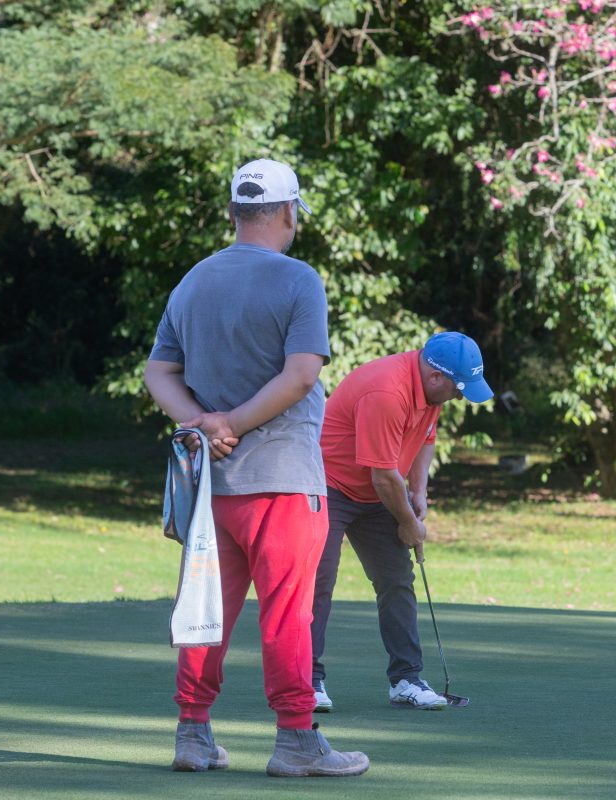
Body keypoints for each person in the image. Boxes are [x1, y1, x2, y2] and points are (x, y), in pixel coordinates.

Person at [144, 158, 368, 778]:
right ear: (290, 212)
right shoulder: (300, 280)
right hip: (284, 478)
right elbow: (301, 376)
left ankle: (193, 734)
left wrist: (203, 423)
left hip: (212, 485)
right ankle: (295, 740)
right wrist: (235, 423)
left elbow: (158, 372)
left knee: (204, 610)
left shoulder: (191, 282)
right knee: (288, 611)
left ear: (233, 212)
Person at [311, 331, 493, 711]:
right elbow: (381, 476)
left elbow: (426, 438)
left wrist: (419, 491)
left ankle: (406, 679)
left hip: (379, 489)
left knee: (396, 581)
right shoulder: (387, 391)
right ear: (436, 377)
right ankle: (307, 682)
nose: (460, 397)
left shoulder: (431, 390)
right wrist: (409, 523)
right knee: (319, 582)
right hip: (327, 484)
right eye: (459, 389)